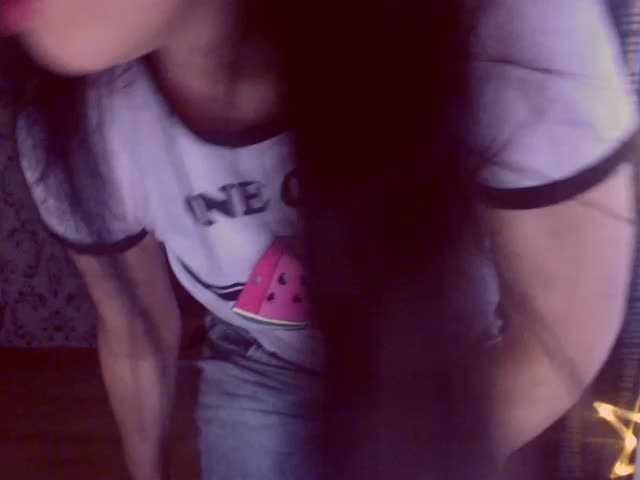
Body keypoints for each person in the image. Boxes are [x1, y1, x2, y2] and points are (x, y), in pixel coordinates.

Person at [2, 0, 637, 478]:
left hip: (462, 359)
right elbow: (135, 330)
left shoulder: (509, 24)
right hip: (260, 359)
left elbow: (561, 337)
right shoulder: (77, 120)